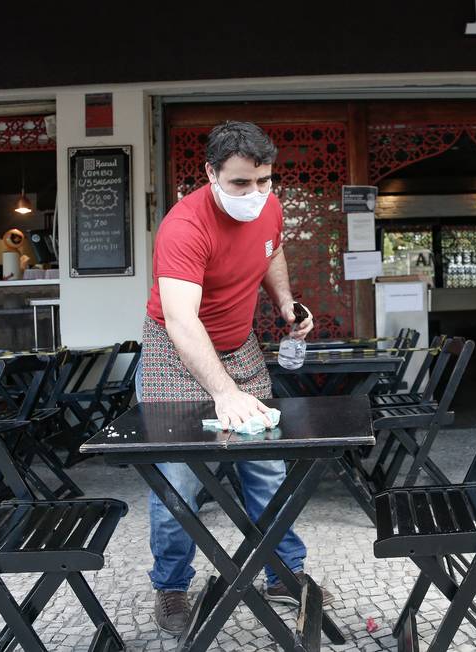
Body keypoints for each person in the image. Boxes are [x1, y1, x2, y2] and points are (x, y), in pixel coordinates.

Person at [136, 121, 333, 636]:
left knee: (267, 467)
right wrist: (223, 391)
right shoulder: (184, 226)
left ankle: (282, 573)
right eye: (241, 183)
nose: (256, 194)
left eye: (264, 181)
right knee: (177, 479)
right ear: (211, 173)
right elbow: (181, 319)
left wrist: (286, 304)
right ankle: (173, 587)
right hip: (173, 352)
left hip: (240, 343)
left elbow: (273, 250)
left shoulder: (268, 204)